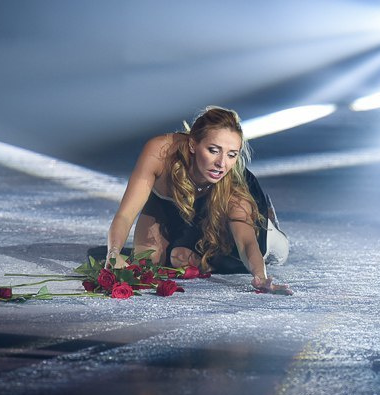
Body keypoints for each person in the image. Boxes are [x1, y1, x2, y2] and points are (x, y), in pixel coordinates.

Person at [104, 105, 292, 295]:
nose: (221, 163)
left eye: (231, 154)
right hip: (176, 206)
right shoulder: (160, 153)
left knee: (270, 250)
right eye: (213, 150)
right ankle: (190, 242)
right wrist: (113, 255)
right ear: (193, 144)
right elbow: (125, 215)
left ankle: (270, 227)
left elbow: (246, 242)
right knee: (147, 261)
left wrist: (260, 277)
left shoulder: (233, 185)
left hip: (223, 212)